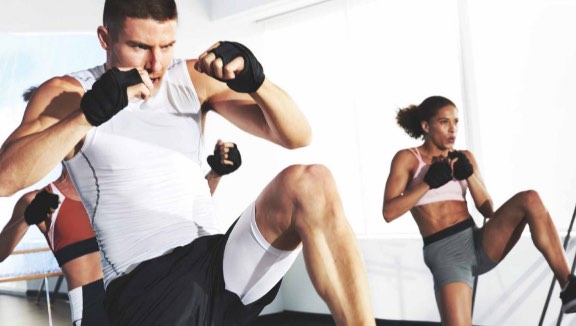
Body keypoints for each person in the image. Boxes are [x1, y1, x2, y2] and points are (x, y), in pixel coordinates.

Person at [0, 0, 375, 325]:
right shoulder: (71, 93)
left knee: (311, 181)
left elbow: (298, 136)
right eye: (139, 46)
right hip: (144, 288)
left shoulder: (192, 78)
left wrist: (257, 83)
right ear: (105, 38)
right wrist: (87, 115)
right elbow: (6, 179)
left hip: (218, 264)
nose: (156, 61)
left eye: (167, 45)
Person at [382, 95, 576, 325]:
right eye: (444, 122)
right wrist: (427, 183)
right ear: (426, 126)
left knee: (530, 199)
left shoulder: (464, 157)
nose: (452, 129)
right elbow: (389, 212)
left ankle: (569, 285)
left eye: (456, 122)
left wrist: (469, 175)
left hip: (477, 241)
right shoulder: (408, 158)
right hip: (445, 253)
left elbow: (487, 210)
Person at [0, 165, 108, 326]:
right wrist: (27, 219)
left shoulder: (109, 191)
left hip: (132, 290)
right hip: (90, 302)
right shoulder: (39, 198)